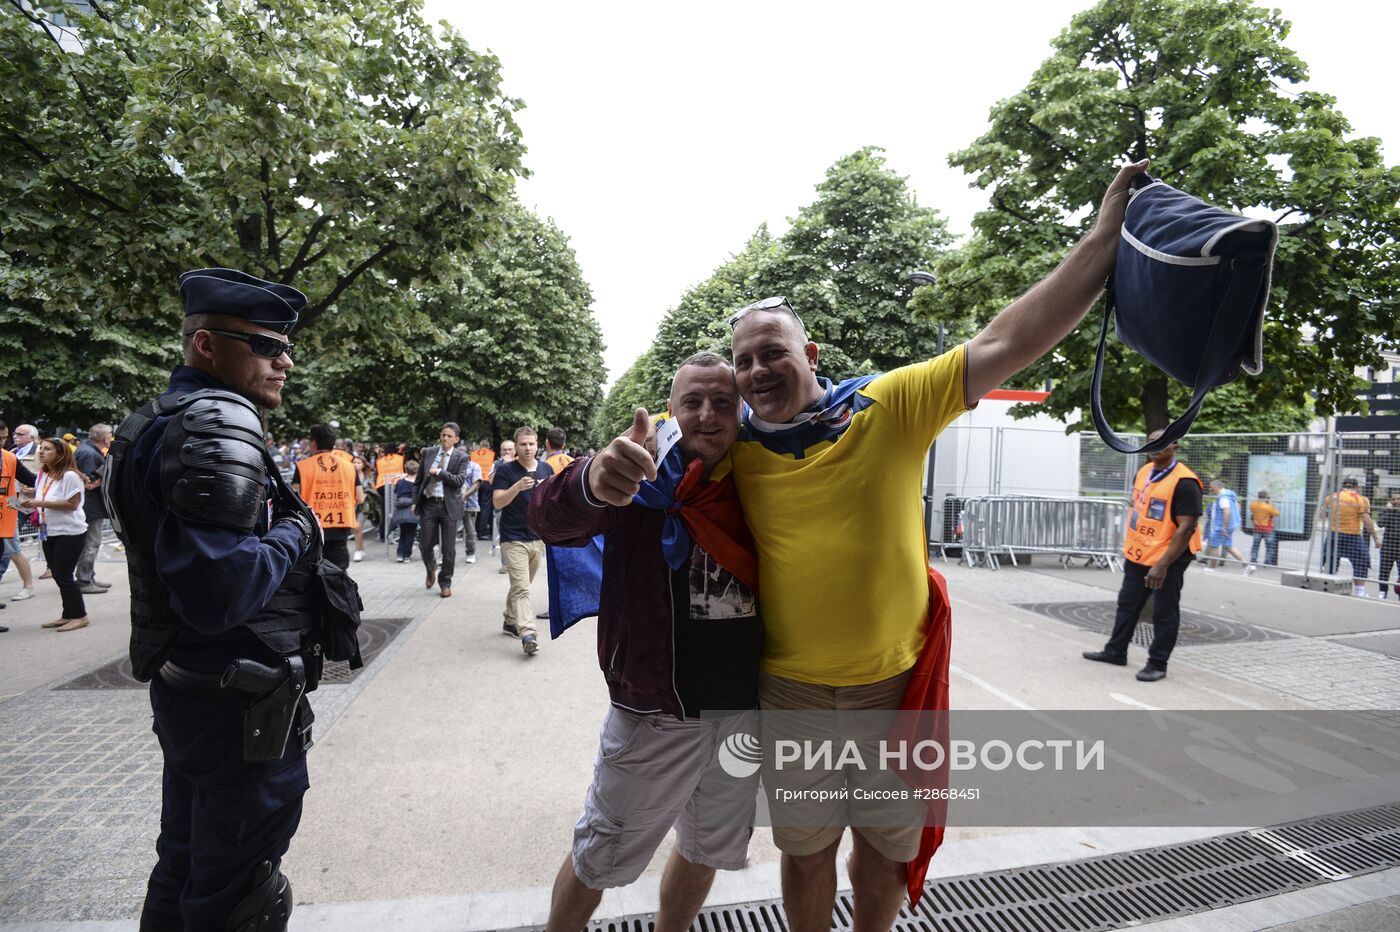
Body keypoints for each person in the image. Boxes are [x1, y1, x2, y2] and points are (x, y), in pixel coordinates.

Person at [589, 160, 1149, 930]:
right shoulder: (734, 445)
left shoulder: (891, 407)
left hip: (897, 688)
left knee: (885, 853)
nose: (755, 371)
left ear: (810, 355)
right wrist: (601, 468)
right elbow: (652, 452)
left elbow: (1009, 338)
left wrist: (1103, 238)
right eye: (744, 358)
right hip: (791, 693)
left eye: (771, 352)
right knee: (808, 853)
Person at [103, 267, 323, 932]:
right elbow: (220, 590)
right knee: (239, 895)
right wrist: (296, 529)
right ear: (206, 344)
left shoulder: (159, 417)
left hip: (196, 690)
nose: (283, 360)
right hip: (238, 707)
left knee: (187, 867)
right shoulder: (220, 420)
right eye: (264, 345)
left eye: (287, 348)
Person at [531, 353, 761, 932]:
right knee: (597, 859)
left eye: (722, 402)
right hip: (653, 712)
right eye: (692, 403)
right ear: (671, 410)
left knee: (705, 847)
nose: (707, 415)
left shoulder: (762, 473)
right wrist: (588, 482)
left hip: (740, 713)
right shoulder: (637, 472)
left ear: (741, 410)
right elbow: (547, 519)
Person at [1083, 431, 1203, 680]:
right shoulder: (1144, 472)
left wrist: (1162, 565)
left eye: (1163, 442)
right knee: (1127, 604)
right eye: (1152, 442)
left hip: (1168, 557)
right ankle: (1116, 651)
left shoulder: (1185, 482)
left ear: (1175, 447)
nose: (1156, 446)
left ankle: (1157, 663)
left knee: (1164, 611)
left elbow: (1186, 527)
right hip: (1140, 552)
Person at [19, 438, 92, 631]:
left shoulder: (70, 475)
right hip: (49, 530)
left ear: (60, 454)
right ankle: (68, 613)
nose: (41, 452)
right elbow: (51, 493)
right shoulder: (44, 473)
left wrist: (39, 503)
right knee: (58, 575)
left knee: (64, 574)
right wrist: (36, 494)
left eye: (47, 449)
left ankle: (80, 615)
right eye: (41, 448)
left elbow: (72, 504)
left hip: (69, 531)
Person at [492, 426, 552, 654]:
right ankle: (528, 633)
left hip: (538, 538)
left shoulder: (546, 468)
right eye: (523, 444)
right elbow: (497, 503)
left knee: (521, 585)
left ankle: (509, 620)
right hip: (513, 538)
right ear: (515, 447)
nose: (528, 448)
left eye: (531, 444)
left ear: (538, 445)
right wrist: (517, 487)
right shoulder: (506, 471)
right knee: (521, 588)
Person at [413, 422, 471, 598]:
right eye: (443, 435)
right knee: (425, 544)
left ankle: (445, 582)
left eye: (449, 436)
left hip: (449, 506)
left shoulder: (461, 457)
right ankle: (431, 568)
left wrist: (439, 472)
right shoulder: (429, 453)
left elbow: (459, 480)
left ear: (456, 439)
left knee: (448, 548)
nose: (445, 438)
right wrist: (414, 501)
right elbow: (418, 479)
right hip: (429, 504)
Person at [294, 424, 360, 570]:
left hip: (313, 528)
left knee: (312, 571)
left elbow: (295, 498)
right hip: (340, 525)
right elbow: (359, 497)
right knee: (338, 572)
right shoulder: (349, 466)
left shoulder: (302, 466)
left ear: (314, 442)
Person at [0, 420, 38, 608]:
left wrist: (57, 478)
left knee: (13, 550)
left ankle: (28, 586)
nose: (3, 441)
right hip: (8, 510)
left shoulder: (9, 457)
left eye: (4, 437)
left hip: (7, 512)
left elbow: (31, 479)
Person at [72, 423, 114, 595]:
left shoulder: (85, 450)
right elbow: (89, 483)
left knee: (89, 544)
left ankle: (89, 577)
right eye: (110, 435)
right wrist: (108, 474)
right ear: (105, 438)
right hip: (90, 506)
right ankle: (84, 580)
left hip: (88, 505)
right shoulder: (89, 453)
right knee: (91, 544)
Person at [1323, 476, 1380, 598]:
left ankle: (1327, 585)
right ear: (1357, 487)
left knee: (1330, 561)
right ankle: (1360, 592)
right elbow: (1366, 519)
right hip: (1352, 534)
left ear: (1342, 485)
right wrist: (1375, 537)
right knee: (1361, 562)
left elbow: (1323, 513)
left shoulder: (1332, 497)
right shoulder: (1361, 499)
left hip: (1333, 533)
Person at [1202, 478, 1246, 569]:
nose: (1210, 489)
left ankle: (1211, 568)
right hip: (1232, 524)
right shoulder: (1230, 494)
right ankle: (1247, 565)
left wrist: (1224, 527)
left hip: (1222, 526)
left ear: (1216, 486)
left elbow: (1227, 511)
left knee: (1214, 546)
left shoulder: (1223, 497)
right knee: (1228, 547)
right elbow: (1237, 506)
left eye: (1211, 487)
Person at [1245, 489, 1281, 574]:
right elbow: (1277, 513)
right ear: (1266, 497)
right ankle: (1267, 561)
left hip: (1257, 528)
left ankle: (1253, 559)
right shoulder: (1268, 507)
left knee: (1255, 545)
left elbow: (1253, 510)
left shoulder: (1253, 505)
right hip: (1268, 529)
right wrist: (1271, 504)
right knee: (1269, 547)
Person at [390, 460, 420, 562]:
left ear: (405, 469)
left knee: (403, 532)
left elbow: (396, 493)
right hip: (413, 510)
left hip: (401, 510)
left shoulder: (401, 482)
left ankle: (399, 554)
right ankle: (407, 555)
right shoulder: (418, 483)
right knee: (411, 533)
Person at [470, 438, 496, 544]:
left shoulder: (474, 454)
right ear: (488, 446)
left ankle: (476, 529)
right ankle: (482, 531)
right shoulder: (491, 454)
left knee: (478, 506)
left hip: (475, 481)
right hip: (487, 481)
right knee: (486, 507)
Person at [1376, 490, 1400, 599]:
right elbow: (1380, 524)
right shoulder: (1386, 510)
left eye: (1398, 499)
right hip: (1388, 546)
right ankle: (1382, 592)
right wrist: (1389, 510)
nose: (1396, 501)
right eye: (1394, 499)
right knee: (1384, 571)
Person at [460, 451, 482, 566]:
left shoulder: (474, 466)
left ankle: (470, 553)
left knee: (470, 531)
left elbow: (476, 484)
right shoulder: (452, 466)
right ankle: (446, 554)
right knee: (449, 531)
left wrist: (464, 496)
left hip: (470, 503)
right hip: (453, 503)